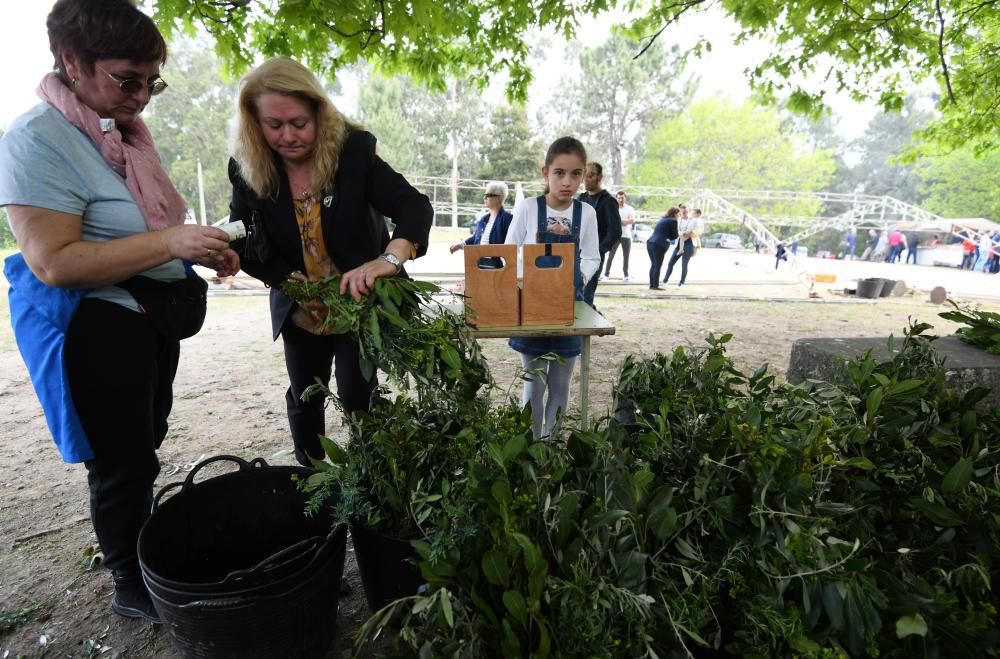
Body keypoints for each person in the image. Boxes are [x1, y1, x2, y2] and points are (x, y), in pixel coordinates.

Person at [0, 0, 240, 623]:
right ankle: (131, 583)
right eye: (127, 79)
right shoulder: (36, 140)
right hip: (100, 327)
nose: (142, 96)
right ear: (71, 62)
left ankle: (145, 546)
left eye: (151, 80)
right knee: (120, 461)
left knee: (148, 440)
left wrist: (196, 250)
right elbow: (55, 261)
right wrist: (168, 244)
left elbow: (140, 226)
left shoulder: (120, 135)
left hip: (150, 317)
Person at [228, 57, 433, 467]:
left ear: (319, 112)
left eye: (299, 123)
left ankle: (368, 483)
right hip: (301, 309)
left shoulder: (353, 152)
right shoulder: (246, 168)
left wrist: (388, 259)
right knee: (306, 394)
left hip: (356, 306)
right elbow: (248, 241)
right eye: (274, 125)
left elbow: (414, 207)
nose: (287, 136)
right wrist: (273, 272)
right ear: (255, 123)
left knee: (359, 398)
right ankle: (312, 486)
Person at [505, 137, 600, 439]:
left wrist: (577, 278)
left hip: (568, 308)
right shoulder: (528, 208)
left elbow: (592, 255)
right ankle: (531, 444)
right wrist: (522, 280)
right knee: (534, 383)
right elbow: (509, 250)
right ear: (545, 172)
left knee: (560, 385)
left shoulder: (586, 214)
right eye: (559, 173)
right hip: (531, 308)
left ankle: (551, 444)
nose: (567, 182)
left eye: (576, 174)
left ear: (584, 175)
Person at [577, 162, 621, 307]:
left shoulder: (608, 201)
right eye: (584, 176)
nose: (586, 180)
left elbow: (615, 231)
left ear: (599, 177)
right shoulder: (581, 198)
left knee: (586, 294)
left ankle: (586, 325)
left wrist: (598, 250)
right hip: (575, 254)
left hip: (593, 256)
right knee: (574, 293)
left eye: (590, 175)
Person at [449, 181, 513, 263]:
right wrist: (460, 245)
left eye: (488, 195)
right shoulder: (483, 219)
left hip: (498, 268)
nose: (484, 198)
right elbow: (475, 238)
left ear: (499, 198)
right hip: (480, 265)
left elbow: (511, 245)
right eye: (485, 195)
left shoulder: (508, 219)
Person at [662, 207, 705, 288]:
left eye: (685, 212)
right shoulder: (677, 220)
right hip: (679, 244)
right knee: (670, 263)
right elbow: (675, 231)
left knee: (684, 264)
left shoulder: (694, 220)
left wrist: (690, 233)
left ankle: (682, 283)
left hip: (689, 243)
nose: (683, 214)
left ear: (688, 212)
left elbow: (700, 230)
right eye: (681, 212)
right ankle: (665, 281)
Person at [602, 190, 635, 281]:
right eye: (619, 198)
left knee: (626, 256)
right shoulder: (613, 208)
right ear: (616, 198)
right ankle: (606, 275)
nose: (621, 199)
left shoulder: (630, 209)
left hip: (626, 235)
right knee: (611, 255)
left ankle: (626, 275)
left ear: (625, 198)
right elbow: (609, 221)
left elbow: (632, 220)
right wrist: (624, 221)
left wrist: (619, 221)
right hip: (615, 234)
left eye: (622, 198)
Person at [647, 207, 679, 289]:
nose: (679, 216)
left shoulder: (662, 219)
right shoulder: (673, 221)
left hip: (651, 242)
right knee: (657, 265)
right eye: (679, 214)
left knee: (653, 265)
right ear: (675, 213)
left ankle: (652, 285)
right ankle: (655, 286)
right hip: (659, 244)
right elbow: (675, 235)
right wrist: (669, 238)